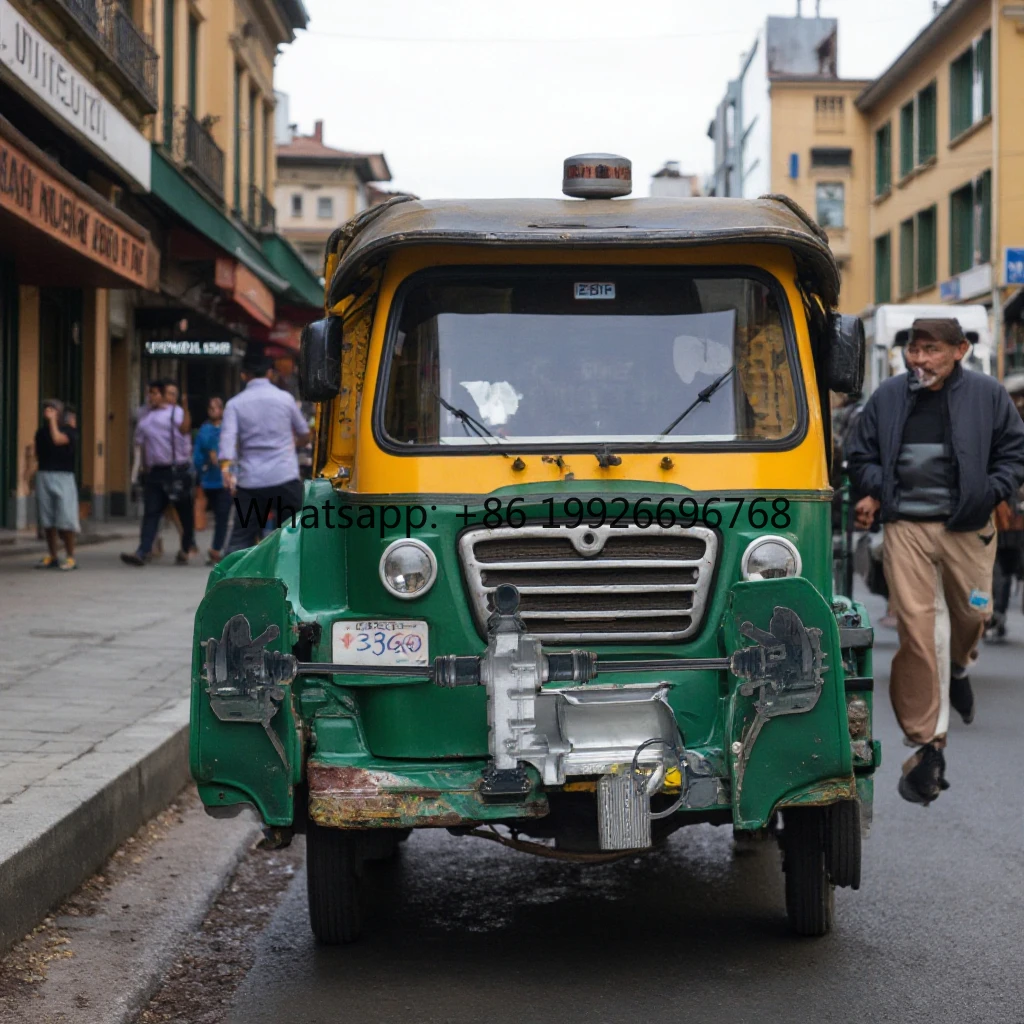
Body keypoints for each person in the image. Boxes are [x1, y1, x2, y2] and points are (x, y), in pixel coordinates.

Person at [847, 318, 1024, 805]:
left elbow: (1014, 450)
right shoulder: (887, 396)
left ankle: (961, 669)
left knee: (974, 614)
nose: (918, 360)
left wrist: (992, 490)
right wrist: (879, 490)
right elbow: (858, 454)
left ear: (960, 350)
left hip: (967, 526)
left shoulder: (987, 395)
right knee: (917, 630)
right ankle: (927, 744)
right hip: (907, 527)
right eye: (913, 350)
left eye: (930, 350)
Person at [219, 355, 311, 553]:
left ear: (244, 375)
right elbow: (304, 433)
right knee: (294, 533)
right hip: (284, 477)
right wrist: (291, 444)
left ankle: (234, 580)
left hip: (251, 482)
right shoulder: (286, 399)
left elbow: (227, 438)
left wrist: (226, 469)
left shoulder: (235, 404)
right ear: (270, 373)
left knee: (241, 538)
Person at [121, 381, 196, 566]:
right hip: (155, 472)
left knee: (185, 514)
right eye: (149, 394)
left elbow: (185, 429)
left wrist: (186, 409)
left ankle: (186, 548)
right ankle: (142, 551)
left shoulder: (175, 413)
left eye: (154, 393)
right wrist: (141, 468)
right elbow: (140, 443)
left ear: (163, 395)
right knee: (151, 513)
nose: (150, 397)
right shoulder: (145, 416)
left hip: (176, 470)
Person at [34, 399, 80, 571]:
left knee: (66, 519)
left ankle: (70, 557)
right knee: (47, 519)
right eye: (46, 408)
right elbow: (38, 454)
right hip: (45, 474)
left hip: (64, 477)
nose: (48, 411)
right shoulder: (41, 432)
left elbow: (58, 440)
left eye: (53, 409)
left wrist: (53, 421)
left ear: (60, 413)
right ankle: (52, 555)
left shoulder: (70, 431)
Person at [193, 396, 231, 563]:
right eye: (211, 408)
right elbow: (197, 457)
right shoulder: (204, 431)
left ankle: (216, 548)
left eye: (217, 407)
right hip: (208, 480)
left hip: (225, 480)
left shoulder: (228, 429)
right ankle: (191, 545)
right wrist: (206, 462)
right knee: (207, 514)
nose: (214, 411)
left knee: (222, 516)